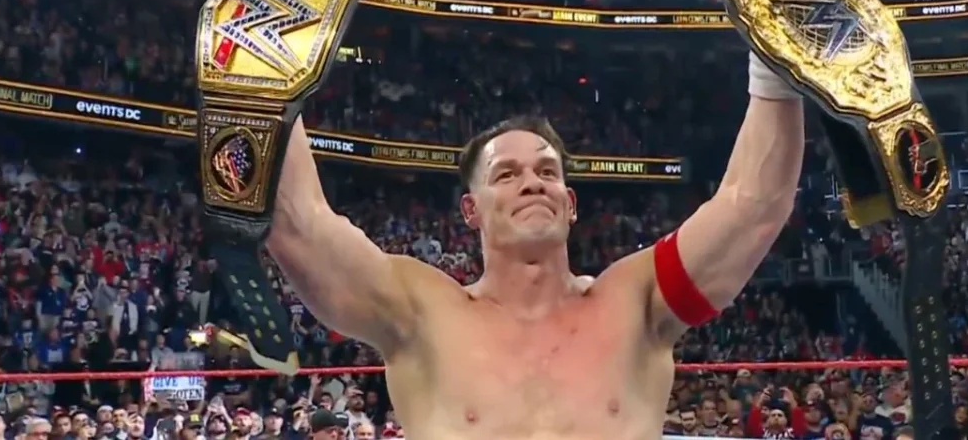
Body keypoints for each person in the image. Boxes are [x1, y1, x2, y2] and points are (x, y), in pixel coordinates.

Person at [265, 48, 806, 440]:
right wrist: (271, 81)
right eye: (506, 174)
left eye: (547, 172)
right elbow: (301, 228)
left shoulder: (637, 300)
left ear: (570, 203)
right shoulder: (419, 310)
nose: (532, 183)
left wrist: (774, 70)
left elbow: (754, 206)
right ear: (471, 211)